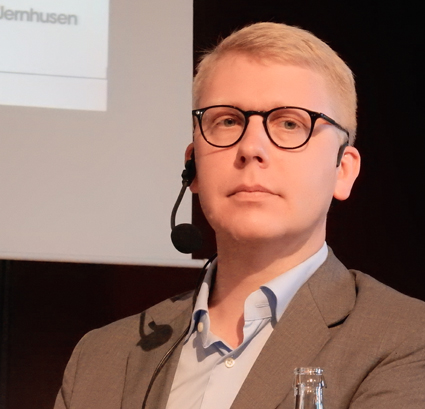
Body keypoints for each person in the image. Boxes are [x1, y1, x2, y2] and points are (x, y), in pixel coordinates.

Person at [54, 22, 425, 409]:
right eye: (228, 121)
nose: (251, 147)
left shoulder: (406, 340)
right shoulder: (100, 360)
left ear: (343, 170)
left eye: (290, 123)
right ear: (193, 166)